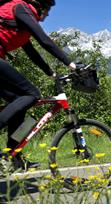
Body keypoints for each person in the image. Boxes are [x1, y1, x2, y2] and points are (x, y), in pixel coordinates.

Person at [0, 0, 76, 170]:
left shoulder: (21, 23)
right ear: (40, 5)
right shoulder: (21, 9)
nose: (47, 15)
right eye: (48, 10)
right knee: (32, 94)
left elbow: (32, 53)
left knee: (19, 102)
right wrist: (70, 64)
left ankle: (13, 158)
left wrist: (51, 73)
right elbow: (44, 40)